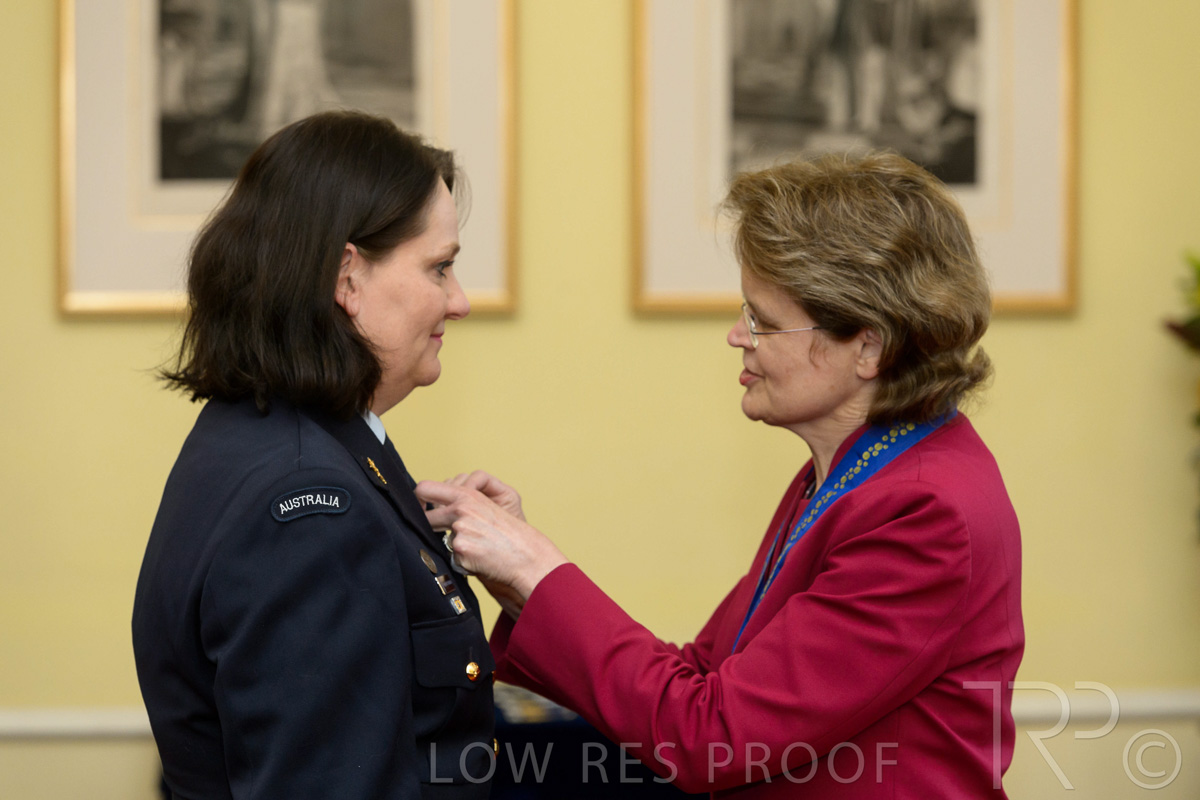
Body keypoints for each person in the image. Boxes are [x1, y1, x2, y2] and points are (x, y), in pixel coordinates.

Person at [418, 152, 1024, 798]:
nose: (738, 336)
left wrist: (538, 570)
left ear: (868, 346)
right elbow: (706, 674)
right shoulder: (854, 471)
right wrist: (519, 581)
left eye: (764, 321)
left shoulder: (919, 509)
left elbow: (714, 735)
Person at [132, 110, 495, 800]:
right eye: (440, 268)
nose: (460, 302)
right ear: (346, 278)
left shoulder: (271, 436)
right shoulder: (307, 504)